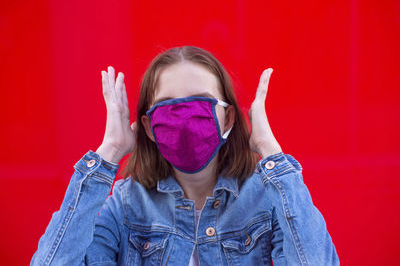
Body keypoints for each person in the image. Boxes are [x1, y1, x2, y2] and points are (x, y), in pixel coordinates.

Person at [31, 46, 339, 266]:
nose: (186, 118)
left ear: (228, 118)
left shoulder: (264, 200)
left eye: (201, 102)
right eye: (169, 105)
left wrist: (270, 151)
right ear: (150, 127)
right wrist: (110, 152)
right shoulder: (127, 205)